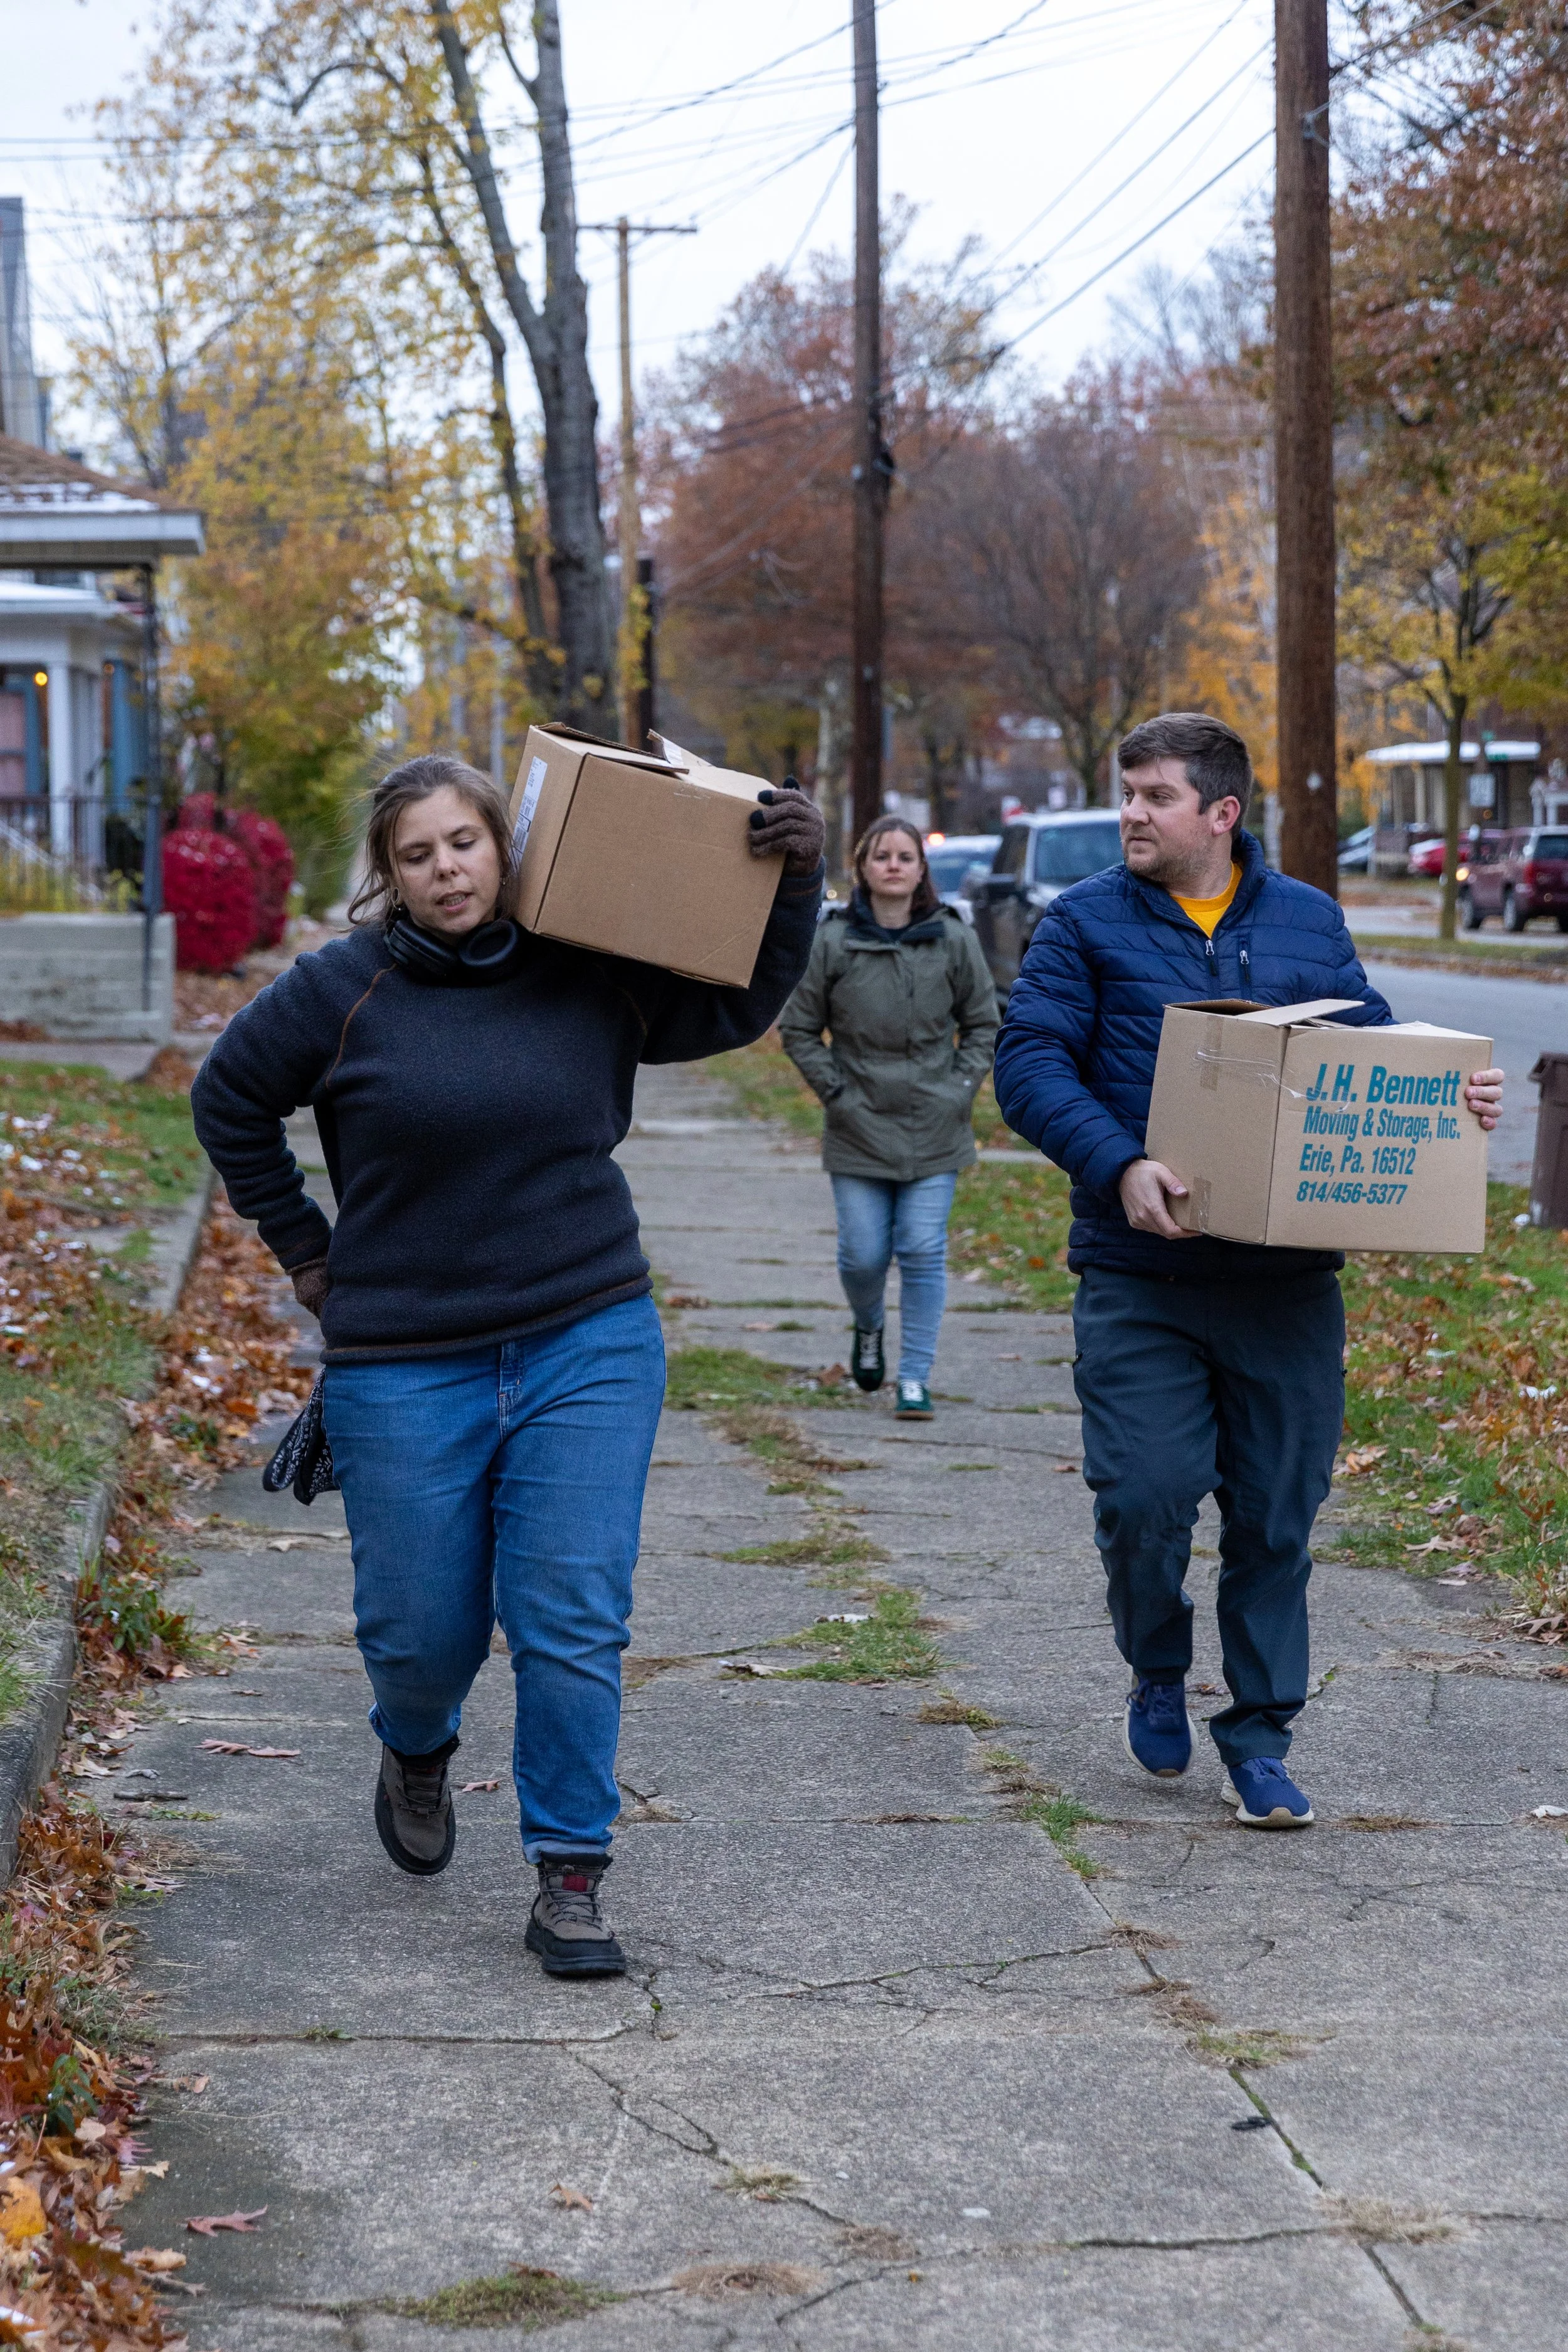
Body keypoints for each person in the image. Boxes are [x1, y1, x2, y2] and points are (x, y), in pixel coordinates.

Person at [191, 755, 824, 1972]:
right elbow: (228, 1100)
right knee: (423, 1632)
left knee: (570, 1612)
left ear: (507, 847)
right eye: (418, 854)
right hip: (401, 1357)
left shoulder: (585, 963)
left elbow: (732, 1008)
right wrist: (306, 1257)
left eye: (464, 844)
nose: (446, 870)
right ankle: (416, 1744)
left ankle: (571, 1873)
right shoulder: (339, 992)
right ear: (389, 875)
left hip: (583, 1333)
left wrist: (794, 882)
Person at [993, 712, 1503, 1828]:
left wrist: (1447, 1093)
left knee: (1276, 1518)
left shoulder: (1309, 922)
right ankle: (1159, 1662)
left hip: (1284, 1286)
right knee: (1144, 1500)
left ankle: (1262, 1736)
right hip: (1141, 1276)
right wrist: (1117, 1161)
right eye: (1127, 792)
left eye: (1155, 796)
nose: (1131, 812)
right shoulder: (1082, 923)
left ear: (1221, 814)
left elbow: (1365, 1046)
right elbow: (1028, 1062)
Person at [780, 815, 998, 1421]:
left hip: (936, 1123)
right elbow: (798, 1028)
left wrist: (959, 1089)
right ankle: (869, 1324)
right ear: (863, 869)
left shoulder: (952, 938)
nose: (895, 865)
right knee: (864, 1256)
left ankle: (914, 1377)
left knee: (923, 1248)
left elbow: (983, 1024)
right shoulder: (834, 941)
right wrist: (838, 1095)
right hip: (858, 1125)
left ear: (922, 870)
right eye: (883, 856)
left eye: (907, 856)